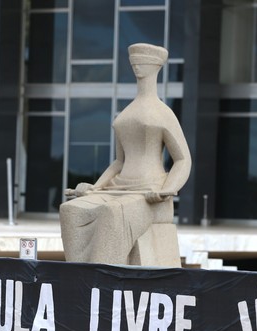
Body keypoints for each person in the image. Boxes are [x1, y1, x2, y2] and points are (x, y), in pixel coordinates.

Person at [59, 43, 192, 264]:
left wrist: (167, 189)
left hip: (149, 193)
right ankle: (79, 275)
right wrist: (96, 187)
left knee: (112, 213)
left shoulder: (163, 113)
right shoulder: (126, 113)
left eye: (142, 62)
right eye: (134, 62)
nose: (137, 66)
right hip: (117, 188)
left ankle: (101, 278)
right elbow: (119, 161)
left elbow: (183, 159)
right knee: (70, 211)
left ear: (155, 67)